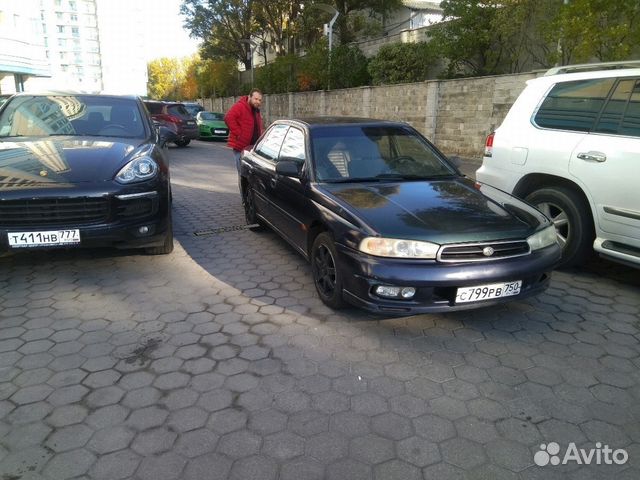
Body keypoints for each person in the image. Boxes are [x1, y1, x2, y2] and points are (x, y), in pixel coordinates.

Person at [224, 89, 264, 172]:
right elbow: (228, 118)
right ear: (249, 97)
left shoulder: (256, 111)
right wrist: (239, 133)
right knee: (243, 173)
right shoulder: (240, 106)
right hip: (241, 147)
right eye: (255, 99)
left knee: (251, 176)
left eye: (259, 100)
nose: (258, 102)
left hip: (252, 149)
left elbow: (257, 127)